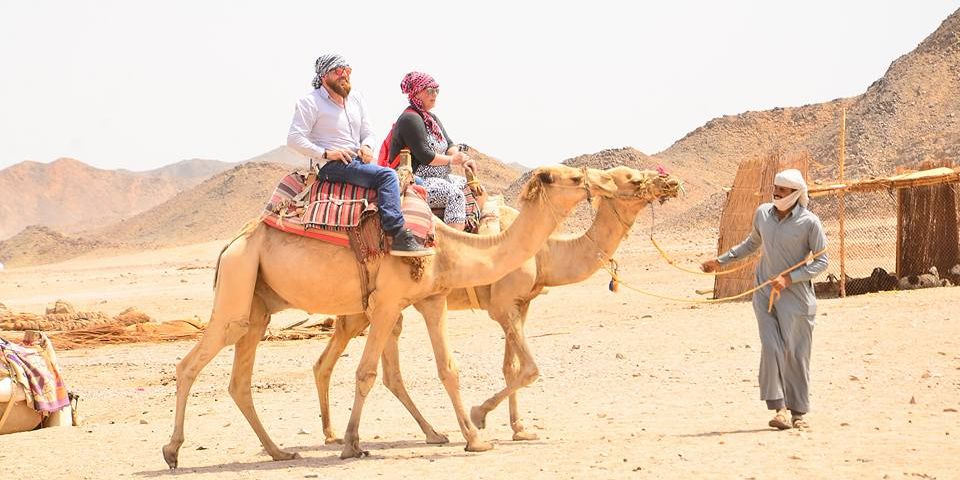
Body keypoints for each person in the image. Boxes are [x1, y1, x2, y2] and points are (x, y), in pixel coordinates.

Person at [701, 169, 828, 430]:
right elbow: (751, 244)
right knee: (771, 347)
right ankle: (779, 408)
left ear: (796, 194)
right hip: (764, 293)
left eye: (783, 190)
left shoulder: (810, 223)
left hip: (796, 299)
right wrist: (720, 261)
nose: (777, 193)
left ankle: (798, 413)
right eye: (776, 188)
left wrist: (791, 278)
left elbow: (822, 261)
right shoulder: (762, 214)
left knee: (796, 353)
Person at [287, 54, 432, 256]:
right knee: (388, 176)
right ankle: (397, 234)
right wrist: (328, 153)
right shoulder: (310, 103)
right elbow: (294, 138)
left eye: (347, 70)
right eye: (338, 71)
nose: (344, 75)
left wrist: (367, 146)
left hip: (358, 160)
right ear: (324, 76)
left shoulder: (356, 98)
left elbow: (368, 132)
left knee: (416, 181)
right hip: (332, 165)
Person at [387, 72, 477, 231]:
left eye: (437, 90)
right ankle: (455, 244)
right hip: (416, 178)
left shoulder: (432, 119)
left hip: (439, 176)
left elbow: (449, 144)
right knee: (454, 195)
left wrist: (463, 159)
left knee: (465, 185)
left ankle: (471, 230)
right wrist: (452, 161)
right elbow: (425, 156)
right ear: (416, 92)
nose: (434, 94)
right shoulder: (410, 119)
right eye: (429, 90)